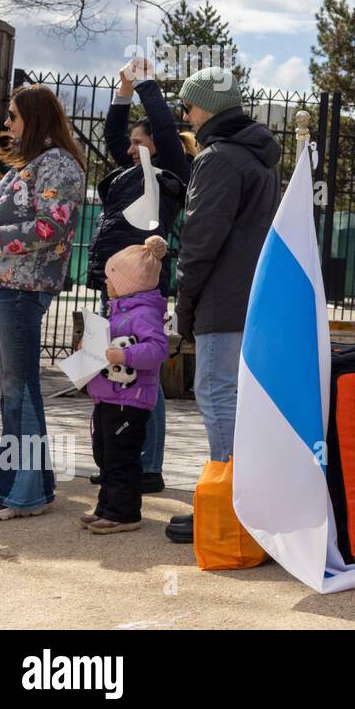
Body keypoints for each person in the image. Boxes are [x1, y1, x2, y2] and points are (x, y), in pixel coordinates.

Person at [166, 66, 280, 544]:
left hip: (221, 299)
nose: (185, 115)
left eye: (188, 106)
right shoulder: (260, 155)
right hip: (252, 296)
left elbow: (199, 241)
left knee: (217, 398)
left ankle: (231, 504)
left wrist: (184, 305)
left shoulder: (217, 158)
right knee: (239, 401)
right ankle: (247, 499)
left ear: (206, 108)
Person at [0, 86, 85, 521]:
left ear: (35, 118)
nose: (7, 124)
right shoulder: (33, 165)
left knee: (20, 391)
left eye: (14, 116)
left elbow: (51, 228)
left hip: (23, 286)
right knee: (13, 392)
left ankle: (23, 494)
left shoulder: (57, 164)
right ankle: (17, 485)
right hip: (4, 283)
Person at [87, 55, 194, 496]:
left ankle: (148, 465)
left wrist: (148, 84)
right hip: (113, 285)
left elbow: (165, 130)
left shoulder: (168, 171)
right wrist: (123, 90)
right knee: (114, 370)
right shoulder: (132, 170)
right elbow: (113, 135)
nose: (129, 148)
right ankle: (121, 460)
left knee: (145, 374)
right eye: (129, 144)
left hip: (142, 289)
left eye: (138, 142)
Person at [82, 236, 171, 534]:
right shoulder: (119, 311)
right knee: (106, 454)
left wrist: (124, 355)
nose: (106, 285)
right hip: (109, 397)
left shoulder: (144, 314)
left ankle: (124, 512)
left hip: (129, 399)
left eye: (111, 279)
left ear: (127, 283)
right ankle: (107, 506)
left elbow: (157, 349)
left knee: (121, 455)